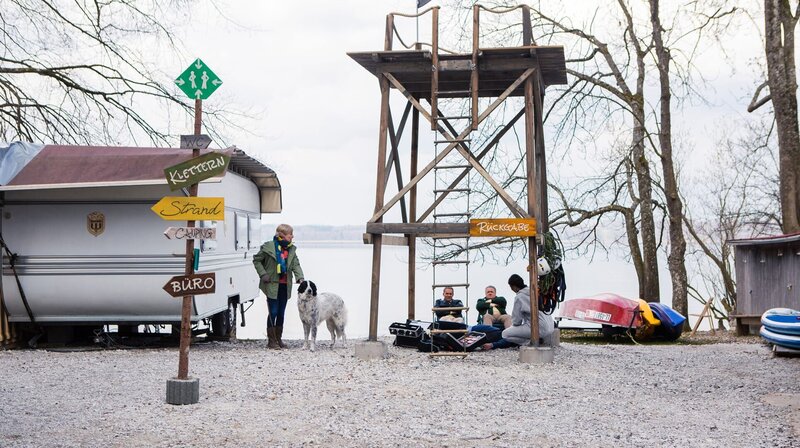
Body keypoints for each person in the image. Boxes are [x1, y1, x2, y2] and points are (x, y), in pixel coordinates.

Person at [253, 224, 304, 349]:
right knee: (273, 312)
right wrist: (263, 274)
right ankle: (271, 341)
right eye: (290, 234)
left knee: (281, 313)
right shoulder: (268, 247)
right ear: (282, 236)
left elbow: (296, 264)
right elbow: (257, 260)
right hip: (271, 284)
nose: (292, 236)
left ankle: (278, 339)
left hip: (285, 285)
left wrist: (300, 277)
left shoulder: (291, 250)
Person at [481, 274, 554, 350]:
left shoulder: (519, 297)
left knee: (505, 334)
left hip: (539, 328)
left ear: (513, 287)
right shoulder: (535, 291)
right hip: (550, 326)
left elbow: (516, 321)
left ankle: (530, 342)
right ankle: (537, 340)